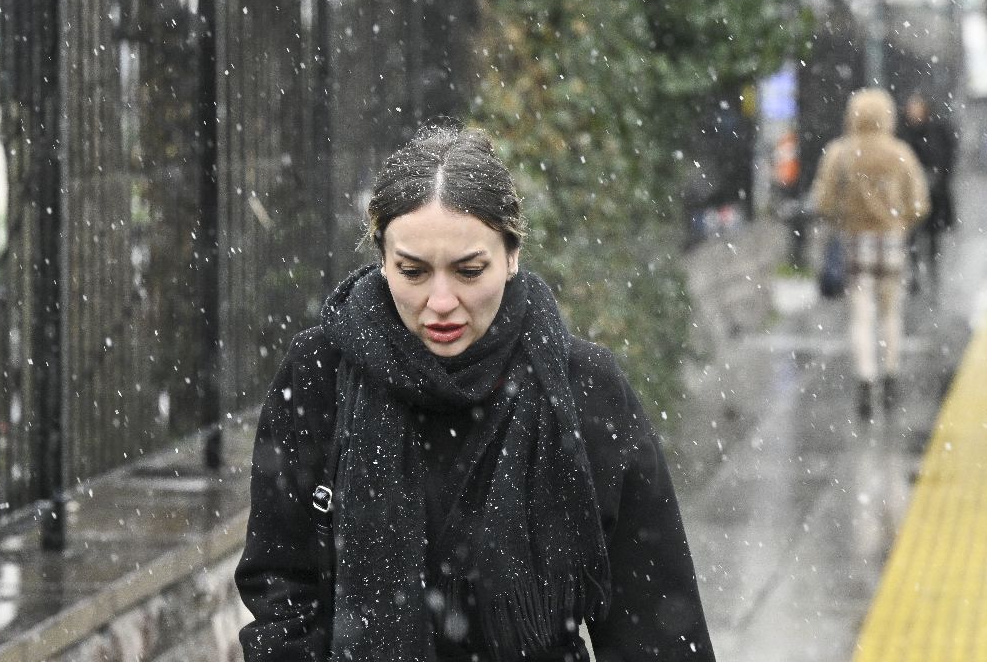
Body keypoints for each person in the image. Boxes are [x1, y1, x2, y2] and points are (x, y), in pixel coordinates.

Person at [234, 123, 715, 661]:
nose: (441, 301)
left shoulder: (584, 390)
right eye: (412, 271)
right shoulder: (320, 374)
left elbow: (654, 621)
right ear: (382, 260)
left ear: (511, 254)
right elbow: (281, 586)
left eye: (469, 270)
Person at [811, 88, 930, 419]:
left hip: (855, 241)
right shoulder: (900, 154)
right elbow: (919, 203)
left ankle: (865, 378)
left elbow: (822, 201)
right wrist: (900, 218)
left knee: (861, 315)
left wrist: (844, 215)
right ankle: (890, 375)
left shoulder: (841, 153)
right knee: (891, 314)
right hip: (892, 241)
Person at [897, 90, 958, 292]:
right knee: (913, 235)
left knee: (932, 237)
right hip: (912, 194)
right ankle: (915, 274)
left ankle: (932, 273)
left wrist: (937, 177)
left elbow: (945, 157)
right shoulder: (905, 134)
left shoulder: (936, 131)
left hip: (933, 194)